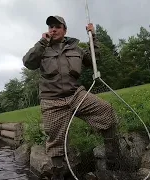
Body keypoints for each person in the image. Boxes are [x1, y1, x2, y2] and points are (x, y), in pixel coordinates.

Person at [22, 15, 126, 180]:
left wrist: (93, 37)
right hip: (52, 101)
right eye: (50, 27)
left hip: (76, 95)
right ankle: (59, 174)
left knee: (106, 110)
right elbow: (28, 62)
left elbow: (94, 61)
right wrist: (42, 43)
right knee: (56, 142)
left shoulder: (75, 49)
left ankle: (114, 162)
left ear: (65, 30)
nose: (53, 29)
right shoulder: (42, 49)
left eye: (57, 26)